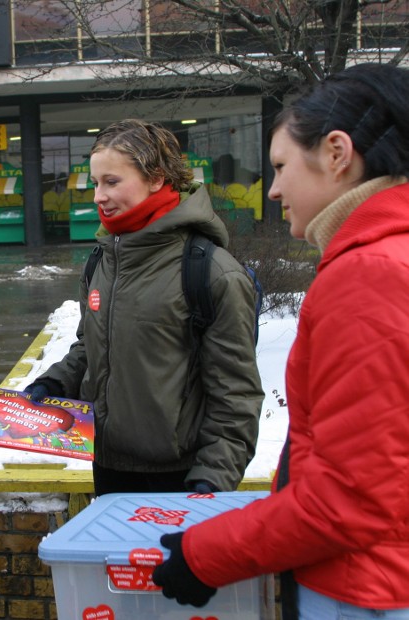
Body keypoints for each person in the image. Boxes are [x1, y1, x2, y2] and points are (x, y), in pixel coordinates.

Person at [152, 63, 409, 620]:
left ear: (337, 153)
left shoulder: (369, 275)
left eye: (281, 166)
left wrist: (202, 556)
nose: (273, 189)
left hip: (363, 590)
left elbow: (351, 499)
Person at [25, 119, 263, 496]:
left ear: (156, 178)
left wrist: (212, 478)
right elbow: (92, 346)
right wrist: (55, 380)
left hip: (183, 478)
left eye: (112, 182)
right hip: (108, 467)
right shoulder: (101, 262)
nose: (98, 196)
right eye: (96, 183)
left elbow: (235, 394)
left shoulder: (212, 272)